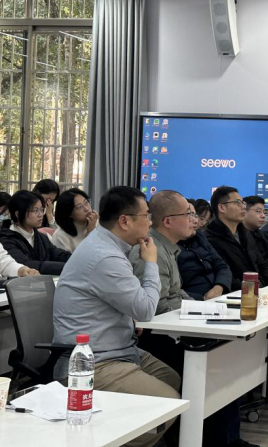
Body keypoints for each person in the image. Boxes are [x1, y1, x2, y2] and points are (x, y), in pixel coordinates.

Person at [53, 186, 180, 447]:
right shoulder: (105, 256)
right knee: (168, 404)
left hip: (119, 349)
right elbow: (146, 310)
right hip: (93, 362)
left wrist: (128, 318)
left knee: (173, 379)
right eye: (146, 216)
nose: (150, 222)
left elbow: (119, 301)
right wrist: (151, 263)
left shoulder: (109, 246)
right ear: (125, 221)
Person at [132, 192, 257, 447]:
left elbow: (177, 294)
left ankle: (227, 439)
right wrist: (197, 308)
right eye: (188, 214)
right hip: (154, 337)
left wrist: (201, 307)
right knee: (214, 364)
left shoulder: (169, 248)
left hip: (174, 327)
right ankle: (216, 441)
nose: (194, 220)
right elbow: (155, 306)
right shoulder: (149, 251)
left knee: (224, 357)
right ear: (168, 221)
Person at [205, 186, 268, 289]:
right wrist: (252, 289)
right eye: (237, 202)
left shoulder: (245, 233)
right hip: (239, 293)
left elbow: (261, 264)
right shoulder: (210, 239)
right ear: (222, 207)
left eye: (243, 203)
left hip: (259, 290)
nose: (243, 207)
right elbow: (225, 276)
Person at [0, 190, 71, 275]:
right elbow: (26, 264)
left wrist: (76, 260)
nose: (40, 215)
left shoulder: (41, 237)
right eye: (35, 210)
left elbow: (57, 254)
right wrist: (67, 267)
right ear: (18, 214)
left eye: (42, 210)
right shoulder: (6, 239)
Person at [177, 202, 232, 301]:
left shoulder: (200, 237)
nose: (197, 221)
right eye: (190, 215)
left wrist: (219, 287)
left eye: (206, 220)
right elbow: (172, 291)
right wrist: (203, 299)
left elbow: (222, 266)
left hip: (217, 296)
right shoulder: (166, 246)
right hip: (193, 301)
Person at [51, 188, 98, 253]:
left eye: (86, 202)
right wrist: (91, 232)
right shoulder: (60, 236)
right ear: (69, 214)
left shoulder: (98, 223)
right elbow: (86, 256)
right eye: (79, 207)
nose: (87, 209)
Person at [242, 196, 268, 264]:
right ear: (244, 212)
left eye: (264, 212)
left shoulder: (263, 234)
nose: (263, 216)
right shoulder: (238, 236)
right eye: (258, 211)